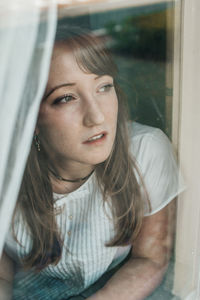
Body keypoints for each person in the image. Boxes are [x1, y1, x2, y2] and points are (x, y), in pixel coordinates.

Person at [0, 26, 184, 300]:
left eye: (103, 87)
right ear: (31, 119)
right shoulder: (7, 171)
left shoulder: (146, 150)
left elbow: (151, 257)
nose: (97, 116)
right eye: (66, 97)